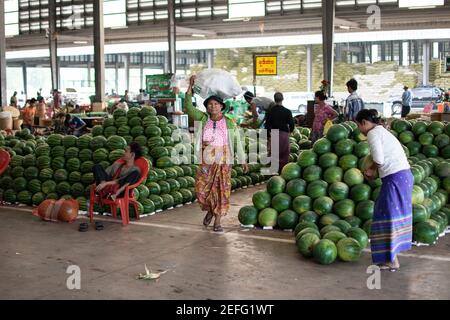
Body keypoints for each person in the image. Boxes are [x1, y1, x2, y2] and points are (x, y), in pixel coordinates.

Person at [185, 75, 248, 232]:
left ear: (221, 106)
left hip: (223, 159)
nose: (212, 107)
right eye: (210, 104)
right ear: (207, 107)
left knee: (221, 189)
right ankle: (210, 211)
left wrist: (242, 159)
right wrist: (190, 88)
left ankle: (217, 221)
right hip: (206, 159)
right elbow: (188, 107)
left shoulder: (228, 121)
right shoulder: (203, 118)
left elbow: (236, 142)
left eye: (216, 104)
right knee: (202, 189)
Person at [356, 109, 413, 272]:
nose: (359, 130)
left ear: (364, 123)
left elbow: (379, 159)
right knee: (392, 216)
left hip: (395, 179)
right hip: (403, 177)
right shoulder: (382, 131)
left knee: (384, 216)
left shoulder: (373, 134)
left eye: (358, 125)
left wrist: (371, 170)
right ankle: (392, 258)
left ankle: (391, 261)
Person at [265, 92, 295, 174]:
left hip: (274, 134)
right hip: (284, 135)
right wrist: (291, 131)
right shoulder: (287, 111)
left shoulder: (270, 112)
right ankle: (283, 172)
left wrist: (268, 135)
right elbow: (292, 124)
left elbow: (267, 125)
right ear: (282, 99)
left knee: (274, 154)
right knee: (284, 154)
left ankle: (274, 172)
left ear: (274, 100)